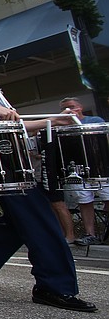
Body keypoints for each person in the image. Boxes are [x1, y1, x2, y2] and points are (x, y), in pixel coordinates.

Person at [0, 31, 96, 312]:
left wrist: (52, 120)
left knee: (19, 219)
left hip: (12, 151)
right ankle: (53, 286)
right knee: (41, 219)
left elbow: (15, 121)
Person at [59, 96, 107, 245]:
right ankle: (90, 234)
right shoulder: (63, 127)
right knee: (85, 202)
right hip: (78, 170)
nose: (69, 110)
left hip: (100, 168)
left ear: (79, 107)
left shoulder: (95, 121)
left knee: (107, 197)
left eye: (72, 106)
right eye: (65, 108)